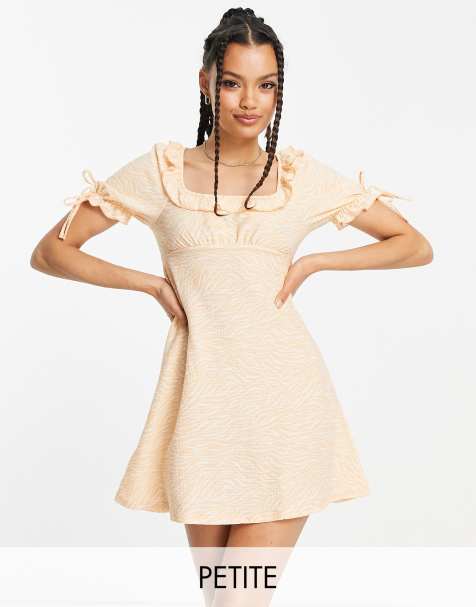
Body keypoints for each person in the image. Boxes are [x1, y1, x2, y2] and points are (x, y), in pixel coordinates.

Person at [31, 6, 433, 605]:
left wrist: (316, 262)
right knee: (223, 598)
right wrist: (150, 285)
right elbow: (51, 252)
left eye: (266, 85)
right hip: (203, 415)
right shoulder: (161, 173)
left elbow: (413, 245)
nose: (250, 101)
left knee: (239, 599)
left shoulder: (298, 178)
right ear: (206, 82)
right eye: (232, 83)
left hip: (285, 408)